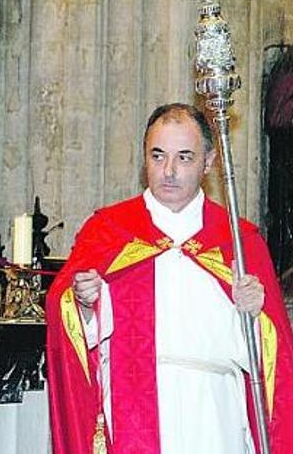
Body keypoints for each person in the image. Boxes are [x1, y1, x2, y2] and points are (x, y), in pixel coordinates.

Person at [46, 103, 293, 453]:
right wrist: (85, 304)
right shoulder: (109, 231)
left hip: (213, 411)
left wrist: (255, 315)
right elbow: (67, 319)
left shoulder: (239, 239)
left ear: (208, 162)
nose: (169, 171)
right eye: (158, 156)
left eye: (185, 157)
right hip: (131, 406)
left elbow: (271, 357)